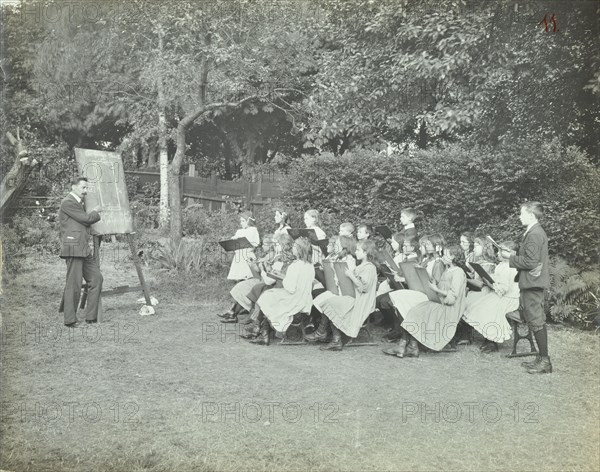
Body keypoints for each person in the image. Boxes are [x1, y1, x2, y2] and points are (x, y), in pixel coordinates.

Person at [383, 245, 468, 358]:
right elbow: (442, 288)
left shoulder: (458, 272)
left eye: (446, 254)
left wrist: (436, 289)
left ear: (453, 256)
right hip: (440, 302)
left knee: (417, 310)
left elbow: (453, 296)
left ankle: (407, 346)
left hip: (448, 308)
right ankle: (409, 346)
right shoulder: (447, 270)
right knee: (411, 308)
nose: (443, 256)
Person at [502, 202, 551, 374]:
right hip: (532, 282)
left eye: (521, 213)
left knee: (536, 320)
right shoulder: (534, 232)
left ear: (531, 215)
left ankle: (545, 361)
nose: (519, 216)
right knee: (534, 319)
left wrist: (511, 257)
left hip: (533, 283)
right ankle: (541, 358)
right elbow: (531, 259)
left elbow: (530, 262)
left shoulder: (534, 234)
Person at [307, 239, 379, 351]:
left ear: (366, 252)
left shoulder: (369, 267)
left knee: (331, 302)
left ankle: (330, 337)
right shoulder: (363, 265)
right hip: (355, 297)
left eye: (359, 250)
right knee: (329, 300)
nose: (356, 252)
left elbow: (363, 288)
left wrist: (351, 276)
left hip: (361, 301)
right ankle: (329, 336)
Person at [250, 237, 315, 346]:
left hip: (294, 299)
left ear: (299, 250)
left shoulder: (295, 266)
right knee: (268, 296)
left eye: (294, 246)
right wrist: (284, 276)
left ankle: (263, 333)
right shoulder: (310, 266)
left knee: (267, 296)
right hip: (305, 298)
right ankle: (261, 331)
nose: (292, 248)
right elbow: (299, 282)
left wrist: (283, 278)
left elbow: (290, 287)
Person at [58, 177, 103, 327]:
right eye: (83, 188)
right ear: (73, 187)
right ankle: (70, 320)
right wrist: (96, 211)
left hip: (83, 248)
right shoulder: (68, 202)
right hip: (73, 247)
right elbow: (86, 219)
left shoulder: (78, 203)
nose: (85, 191)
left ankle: (91, 317)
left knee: (96, 278)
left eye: (86, 188)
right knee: (74, 284)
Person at [463, 240, 519, 352]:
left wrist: (490, 283)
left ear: (512, 253)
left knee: (489, 310)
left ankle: (492, 341)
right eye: (498, 251)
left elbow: (504, 288)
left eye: (501, 251)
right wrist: (490, 279)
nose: (498, 253)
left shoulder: (510, 267)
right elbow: (499, 281)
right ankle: (488, 339)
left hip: (509, 298)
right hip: (501, 296)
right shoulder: (502, 265)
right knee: (480, 307)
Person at [226, 210, 260, 281]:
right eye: (240, 221)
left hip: (248, 252)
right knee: (239, 257)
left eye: (243, 221)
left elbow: (255, 243)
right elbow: (234, 239)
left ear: (248, 221)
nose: (241, 223)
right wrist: (234, 239)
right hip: (239, 252)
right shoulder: (240, 231)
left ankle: (246, 277)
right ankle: (238, 278)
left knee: (245, 258)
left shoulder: (252, 230)